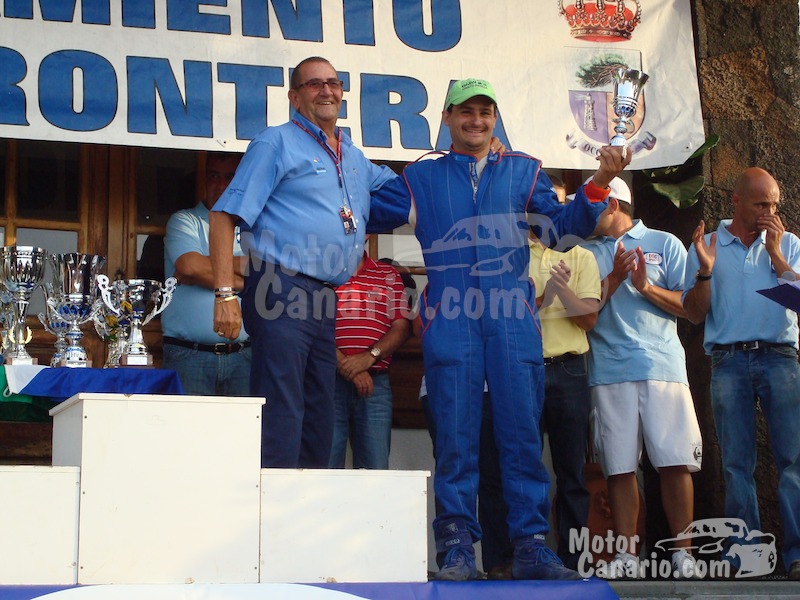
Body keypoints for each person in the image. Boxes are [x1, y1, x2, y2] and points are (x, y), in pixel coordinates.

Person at [367, 78, 630, 581]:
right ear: (446, 118)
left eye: (485, 111)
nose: (476, 120)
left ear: (495, 118)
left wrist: (599, 181)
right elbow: (366, 209)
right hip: (452, 318)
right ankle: (457, 551)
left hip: (512, 321)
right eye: (466, 111)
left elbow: (562, 229)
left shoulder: (524, 171)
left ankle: (531, 546)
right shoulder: (421, 176)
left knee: (521, 436)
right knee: (456, 440)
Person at [209, 56, 398, 468]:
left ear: (342, 93)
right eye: (314, 84)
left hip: (326, 296)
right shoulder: (275, 142)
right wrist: (224, 294)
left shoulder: (354, 156)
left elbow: (408, 194)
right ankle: (272, 502)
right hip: (279, 285)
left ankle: (304, 503)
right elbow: (223, 216)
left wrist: (476, 157)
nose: (326, 90)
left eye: (333, 82)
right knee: (282, 410)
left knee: (318, 416)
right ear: (295, 98)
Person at [581, 177, 702, 579]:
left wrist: (646, 287)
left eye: (592, 204)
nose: (584, 212)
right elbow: (582, 313)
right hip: (608, 370)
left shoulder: (665, 243)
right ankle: (627, 556)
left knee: (675, 462)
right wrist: (615, 279)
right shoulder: (583, 252)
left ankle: (683, 554)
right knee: (618, 468)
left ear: (613, 204)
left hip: (662, 367)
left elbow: (691, 308)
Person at [682, 167, 800, 581]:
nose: (770, 212)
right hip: (728, 360)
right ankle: (747, 554)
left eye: (775, 205)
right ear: (736, 201)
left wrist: (776, 254)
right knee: (736, 463)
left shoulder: (790, 244)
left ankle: (797, 554)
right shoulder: (709, 244)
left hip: (780, 357)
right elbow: (694, 314)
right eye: (761, 204)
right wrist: (705, 270)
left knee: (793, 458)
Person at [530, 225, 601, 570]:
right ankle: (530, 553)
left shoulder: (581, 256)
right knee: (526, 468)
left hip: (570, 369)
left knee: (571, 471)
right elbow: (508, 314)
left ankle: (573, 561)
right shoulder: (513, 256)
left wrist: (561, 291)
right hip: (526, 368)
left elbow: (589, 318)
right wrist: (546, 297)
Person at [161, 152, 251, 396]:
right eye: (213, 176)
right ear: (204, 181)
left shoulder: (254, 228)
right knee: (188, 424)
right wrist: (247, 280)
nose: (221, 185)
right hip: (189, 355)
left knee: (244, 424)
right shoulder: (184, 220)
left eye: (229, 177)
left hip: (244, 356)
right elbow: (190, 266)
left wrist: (206, 268)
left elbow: (264, 272)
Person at [329, 248, 411, 469]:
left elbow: (401, 326)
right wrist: (347, 365)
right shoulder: (322, 272)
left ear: (367, 235)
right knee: (326, 469)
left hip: (376, 382)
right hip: (328, 381)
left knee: (375, 471)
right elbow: (311, 324)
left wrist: (369, 357)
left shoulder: (388, 274)